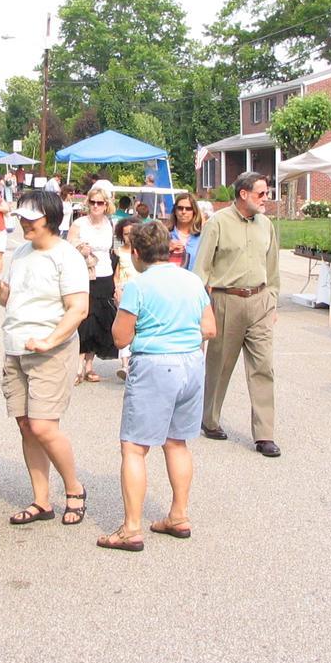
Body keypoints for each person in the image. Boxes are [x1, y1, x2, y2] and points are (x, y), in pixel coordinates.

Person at [98, 221, 217, 551]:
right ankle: (179, 514)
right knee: (177, 442)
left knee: (134, 447)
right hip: (191, 364)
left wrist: (124, 306)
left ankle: (131, 527)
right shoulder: (192, 281)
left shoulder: (139, 285)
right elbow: (209, 328)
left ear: (136, 252)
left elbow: (121, 337)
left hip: (155, 364)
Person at [0, 190, 90, 527]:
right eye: (21, 217)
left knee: (44, 426)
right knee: (25, 425)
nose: (23, 224)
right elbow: (8, 299)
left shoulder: (67, 257)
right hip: (16, 347)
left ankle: (75, 488)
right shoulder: (21, 252)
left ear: (49, 219)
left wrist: (50, 339)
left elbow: (79, 309)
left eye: (30, 219)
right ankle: (41, 500)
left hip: (51, 351)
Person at [193, 171, 282, 457]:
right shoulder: (218, 223)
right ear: (244, 194)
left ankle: (264, 434)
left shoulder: (266, 225)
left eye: (266, 193)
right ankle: (210, 419)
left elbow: (273, 268)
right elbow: (202, 269)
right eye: (261, 193)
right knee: (219, 365)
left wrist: (272, 301)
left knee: (263, 367)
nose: (266, 198)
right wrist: (201, 308)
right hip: (225, 300)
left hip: (259, 302)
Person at [68, 187, 118, 383]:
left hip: (105, 275)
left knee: (100, 321)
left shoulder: (110, 224)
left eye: (100, 203)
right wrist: (80, 247)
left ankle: (89, 365)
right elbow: (68, 245)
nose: (96, 206)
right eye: (93, 202)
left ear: (106, 205)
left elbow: (115, 251)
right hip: (85, 275)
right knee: (85, 319)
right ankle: (78, 366)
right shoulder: (80, 223)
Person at [112, 217, 141, 381]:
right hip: (124, 289)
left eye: (132, 233)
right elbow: (115, 274)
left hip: (140, 289)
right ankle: (125, 364)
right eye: (125, 234)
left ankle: (134, 362)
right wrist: (117, 289)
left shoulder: (142, 252)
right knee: (125, 327)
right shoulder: (118, 252)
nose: (129, 237)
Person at [168, 192, 204, 271]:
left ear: (194, 212)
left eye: (188, 209)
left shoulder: (202, 237)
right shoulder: (164, 235)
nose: (183, 212)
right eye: (180, 208)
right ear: (175, 210)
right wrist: (166, 248)